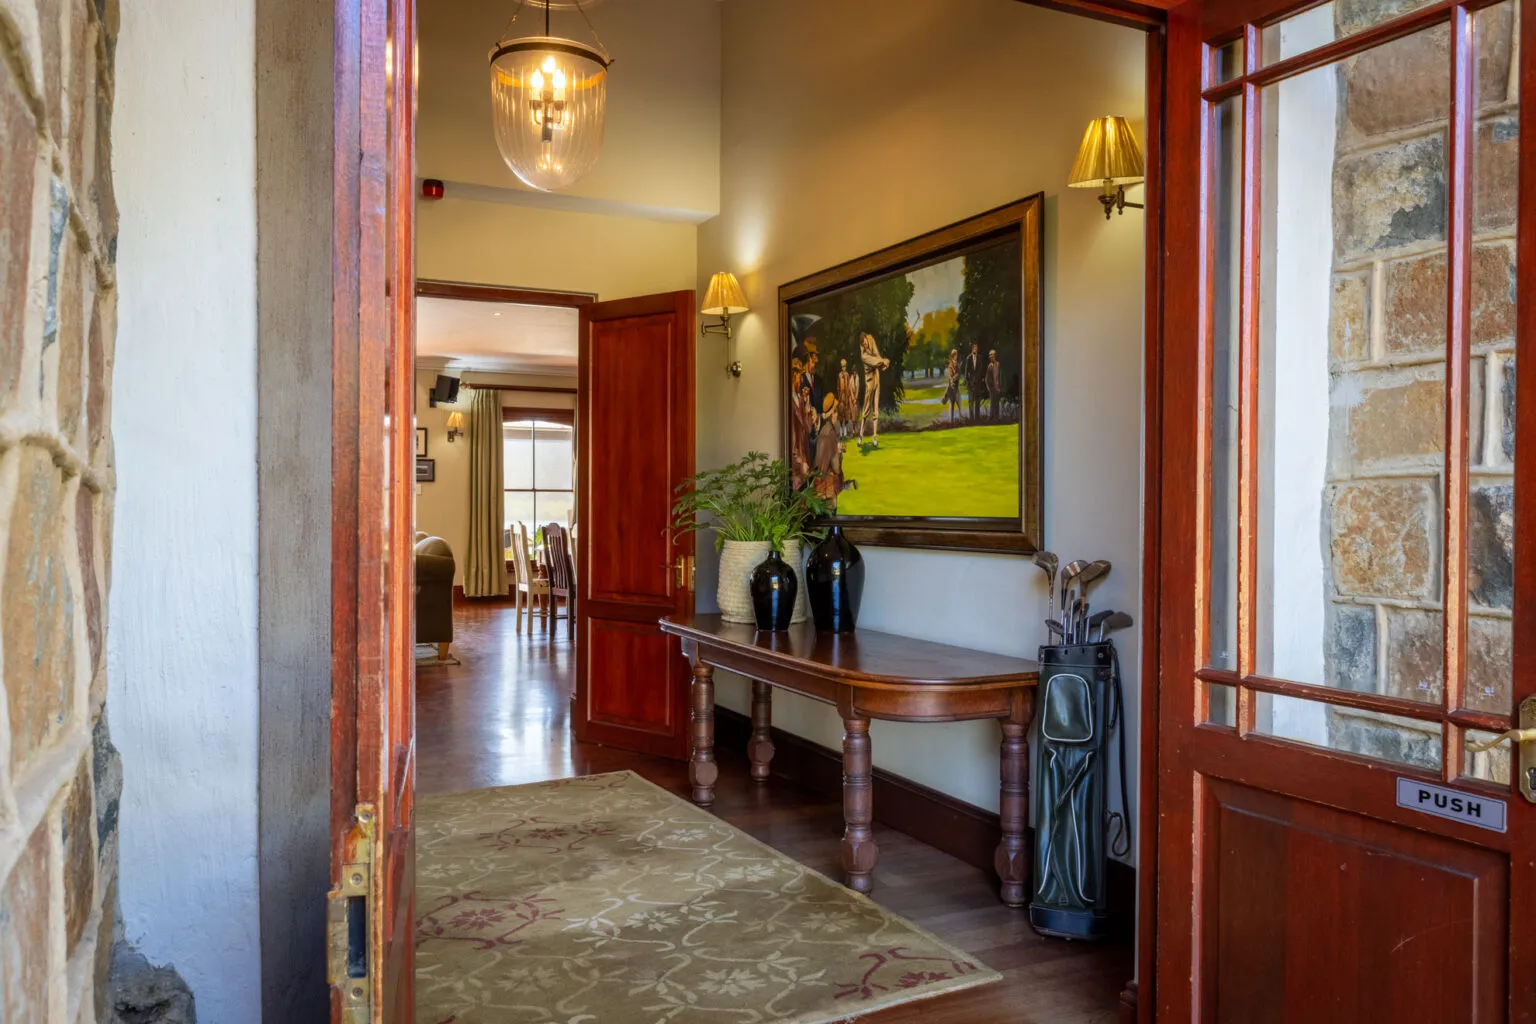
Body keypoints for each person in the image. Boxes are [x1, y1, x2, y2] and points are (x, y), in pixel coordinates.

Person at [812, 393, 850, 500]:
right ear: (832, 414)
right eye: (835, 412)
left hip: (818, 486)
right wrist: (839, 453)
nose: (837, 415)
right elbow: (836, 467)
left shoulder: (823, 430)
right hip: (828, 488)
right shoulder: (831, 433)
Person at [857, 332, 890, 447]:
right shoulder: (863, 356)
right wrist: (882, 362)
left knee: (876, 409)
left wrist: (884, 362)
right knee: (866, 410)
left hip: (876, 377)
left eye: (865, 343)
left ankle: (874, 436)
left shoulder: (871, 339)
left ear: (866, 338)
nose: (865, 346)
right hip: (869, 381)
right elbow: (873, 360)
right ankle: (860, 435)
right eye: (863, 345)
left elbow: (877, 355)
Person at [962, 343, 985, 422]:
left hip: (978, 383)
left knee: (977, 401)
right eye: (974, 348)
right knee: (971, 401)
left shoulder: (980, 358)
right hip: (970, 383)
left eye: (977, 348)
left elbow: (981, 370)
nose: (976, 349)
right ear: (972, 349)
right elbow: (966, 372)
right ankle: (972, 419)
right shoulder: (968, 358)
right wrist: (968, 381)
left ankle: (977, 418)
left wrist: (979, 379)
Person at [836, 358, 858, 439]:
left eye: (845, 367)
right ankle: (841, 434)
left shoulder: (848, 375)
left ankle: (845, 433)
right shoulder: (839, 375)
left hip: (847, 398)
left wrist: (849, 396)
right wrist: (839, 397)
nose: (844, 368)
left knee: (846, 416)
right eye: (843, 367)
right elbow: (838, 387)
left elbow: (849, 386)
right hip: (841, 398)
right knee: (841, 416)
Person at [942, 348, 961, 423]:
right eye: (955, 355)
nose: (956, 356)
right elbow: (949, 374)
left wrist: (954, 377)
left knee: (959, 403)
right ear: (953, 356)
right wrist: (952, 378)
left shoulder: (957, 364)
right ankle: (952, 421)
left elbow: (959, 373)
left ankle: (960, 419)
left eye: (957, 355)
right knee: (952, 403)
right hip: (951, 386)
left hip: (956, 386)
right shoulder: (950, 365)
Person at [986, 349, 1002, 421]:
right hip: (992, 388)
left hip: (998, 387)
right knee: (992, 403)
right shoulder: (989, 366)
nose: (990, 356)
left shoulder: (998, 365)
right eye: (989, 355)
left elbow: (1000, 376)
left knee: (997, 403)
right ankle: (991, 417)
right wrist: (989, 387)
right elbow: (987, 378)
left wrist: (1000, 386)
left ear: (994, 356)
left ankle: (996, 417)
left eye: (991, 355)